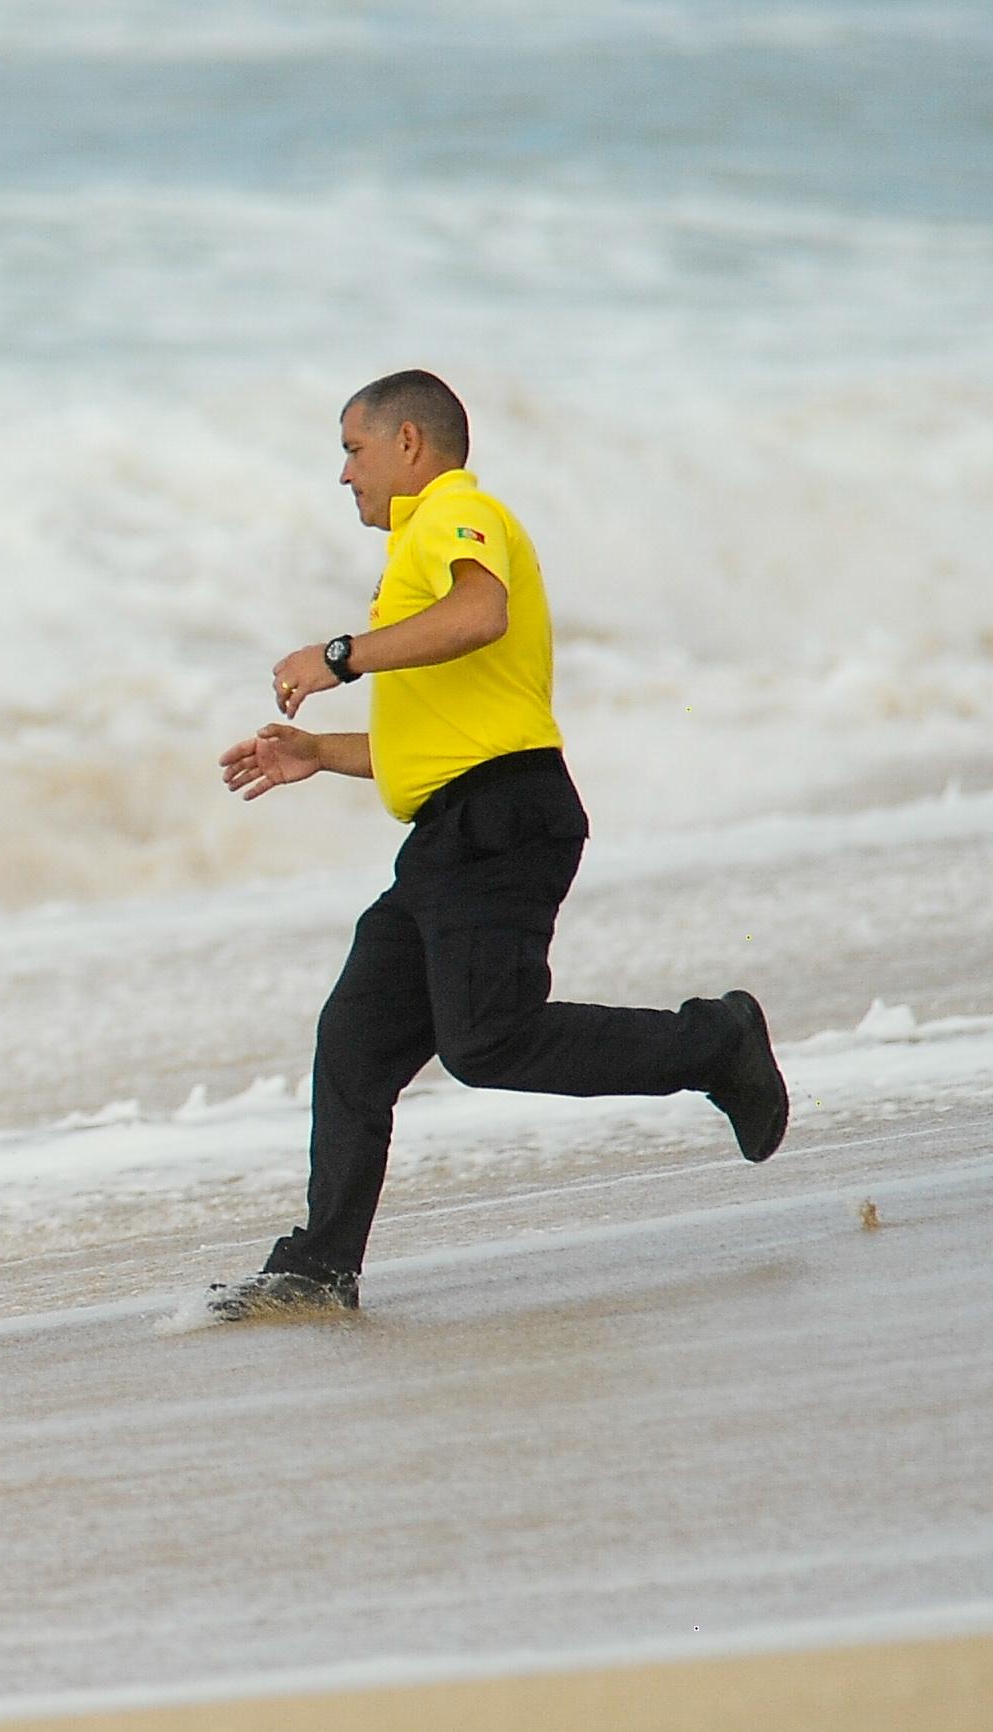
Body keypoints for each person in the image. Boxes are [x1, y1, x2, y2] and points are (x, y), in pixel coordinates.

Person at [208, 369, 789, 1319]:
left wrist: (339, 656)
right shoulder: (419, 547)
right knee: (354, 1040)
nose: (343, 474)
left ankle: (716, 1041)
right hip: (454, 832)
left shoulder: (450, 511)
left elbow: (482, 614)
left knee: (486, 1042)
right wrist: (318, 753)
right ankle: (320, 1265)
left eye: (352, 450)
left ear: (408, 445)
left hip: (498, 824)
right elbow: (440, 735)